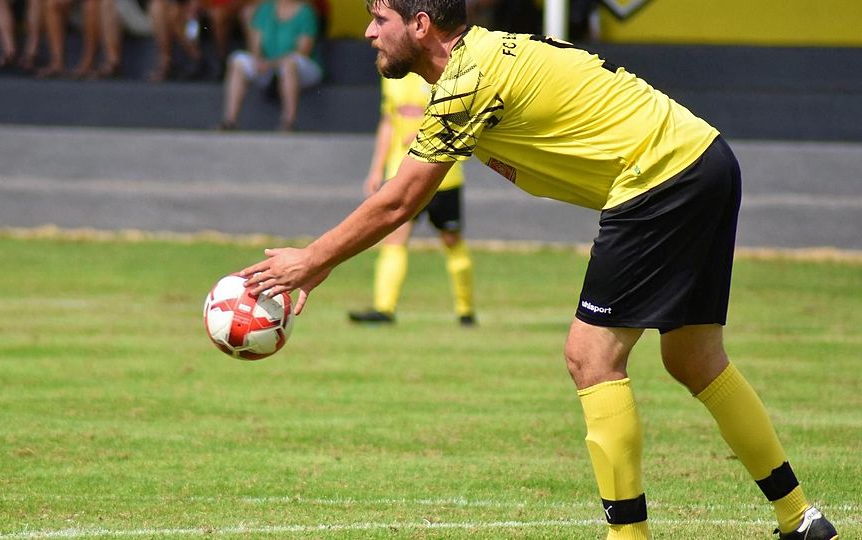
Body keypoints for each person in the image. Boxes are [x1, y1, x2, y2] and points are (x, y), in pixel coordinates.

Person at [239, 1, 840, 539]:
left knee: (591, 357)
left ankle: (629, 537)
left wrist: (311, 261)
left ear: (420, 25)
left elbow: (400, 200)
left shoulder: (467, 80)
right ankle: (800, 519)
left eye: (379, 19)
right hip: (704, 158)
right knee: (694, 359)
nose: (368, 32)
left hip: (658, 176)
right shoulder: (483, 58)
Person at [348, 72, 476, 326]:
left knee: (451, 239)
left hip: (442, 174)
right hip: (401, 174)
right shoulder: (393, 75)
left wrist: (424, 133)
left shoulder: (444, 72)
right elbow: (388, 121)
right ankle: (384, 308)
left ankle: (466, 310)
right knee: (394, 237)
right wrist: (376, 169)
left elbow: (462, 117)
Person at [220, 0, 322, 131]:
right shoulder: (265, 9)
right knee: (238, 60)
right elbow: (255, 45)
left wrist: (270, 63)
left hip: (301, 68)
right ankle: (230, 120)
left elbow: (303, 50)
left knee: (289, 64)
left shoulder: (306, 12)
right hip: (269, 67)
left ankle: (289, 122)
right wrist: (257, 59)